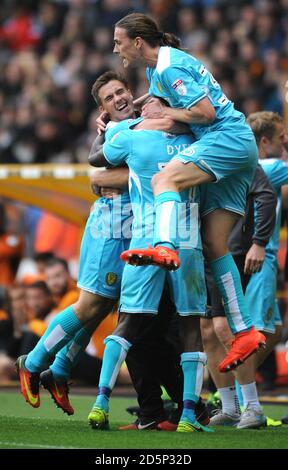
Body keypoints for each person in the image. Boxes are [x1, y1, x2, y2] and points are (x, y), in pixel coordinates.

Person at [16, 72, 199, 429]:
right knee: (90, 304)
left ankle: (61, 368)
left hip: (137, 228)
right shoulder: (115, 134)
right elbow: (98, 172)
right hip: (110, 226)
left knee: (110, 306)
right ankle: (35, 363)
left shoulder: (146, 121)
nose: (117, 99)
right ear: (102, 109)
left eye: (120, 91)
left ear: (131, 92)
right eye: (109, 97)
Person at [112, 12, 266, 373]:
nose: (114, 47)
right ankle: (244, 330)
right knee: (215, 245)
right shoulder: (159, 69)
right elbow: (173, 107)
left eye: (119, 41)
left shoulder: (168, 68)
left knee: (164, 181)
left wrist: (167, 112)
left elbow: (205, 111)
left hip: (225, 139)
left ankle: (164, 246)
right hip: (240, 146)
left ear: (137, 42)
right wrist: (140, 110)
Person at [86, 108, 212, 434]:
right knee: (189, 328)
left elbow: (97, 159)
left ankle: (101, 402)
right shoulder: (198, 139)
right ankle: (187, 415)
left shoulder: (130, 135)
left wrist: (111, 126)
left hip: (145, 238)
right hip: (185, 240)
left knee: (129, 321)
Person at [201, 164, 277, 429]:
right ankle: (230, 407)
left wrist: (259, 242)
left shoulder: (234, 146)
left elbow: (266, 194)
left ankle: (253, 407)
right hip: (201, 250)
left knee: (225, 326)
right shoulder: (190, 146)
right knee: (207, 330)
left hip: (228, 252)